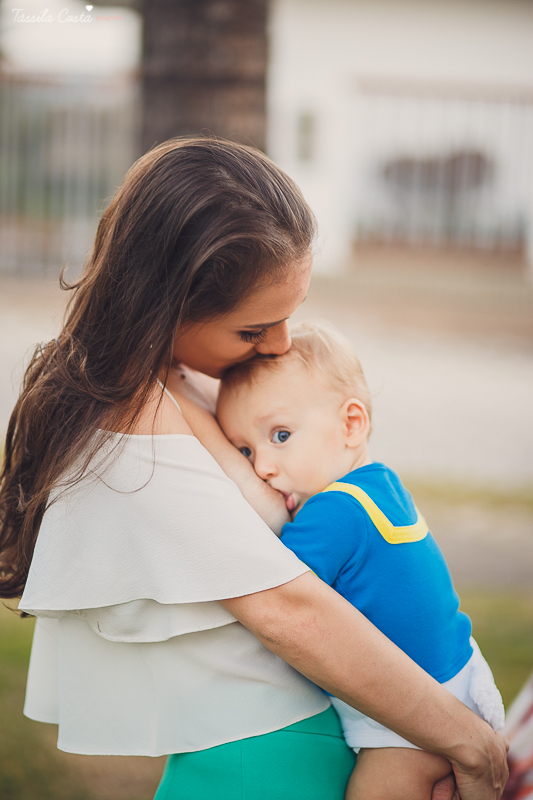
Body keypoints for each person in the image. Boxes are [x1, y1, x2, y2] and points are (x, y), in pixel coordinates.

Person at [0, 138, 507, 800]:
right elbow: (286, 607)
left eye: (288, 317)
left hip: (286, 744)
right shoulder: (134, 412)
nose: (280, 344)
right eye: (253, 330)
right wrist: (466, 741)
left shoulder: (179, 383)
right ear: (169, 305)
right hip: (258, 751)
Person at [216, 320, 506, 800]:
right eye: (245, 450)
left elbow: (275, 589)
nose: (262, 466)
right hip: (455, 679)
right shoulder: (381, 485)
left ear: (352, 424)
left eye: (280, 435)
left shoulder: (333, 513)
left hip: (410, 726)